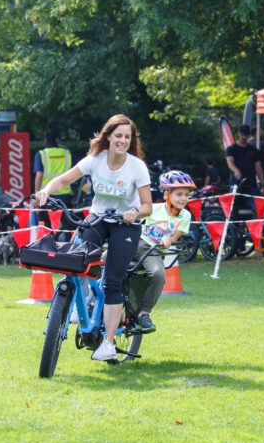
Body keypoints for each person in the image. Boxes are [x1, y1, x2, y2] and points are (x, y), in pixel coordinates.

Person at [34, 114, 152, 362]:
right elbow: (64, 179)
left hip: (126, 225)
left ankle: (108, 343)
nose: (122, 140)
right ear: (108, 136)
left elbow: (147, 206)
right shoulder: (95, 160)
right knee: (77, 262)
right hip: (98, 218)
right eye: (118, 135)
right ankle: (79, 306)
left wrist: (134, 212)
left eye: (127, 137)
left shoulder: (137, 167)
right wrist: (45, 190)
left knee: (111, 281)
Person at [131, 170, 195, 333]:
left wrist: (167, 239)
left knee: (158, 274)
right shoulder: (152, 208)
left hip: (152, 251)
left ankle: (144, 313)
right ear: (167, 193)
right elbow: (135, 224)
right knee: (101, 261)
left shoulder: (185, 216)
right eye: (179, 194)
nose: (184, 199)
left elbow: (174, 238)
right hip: (134, 244)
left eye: (187, 195)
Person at [33, 130, 72, 226]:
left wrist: (37, 197)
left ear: (45, 141)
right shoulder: (67, 153)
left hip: (46, 196)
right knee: (67, 226)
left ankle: (47, 241)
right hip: (65, 196)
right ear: (57, 140)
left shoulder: (41, 154)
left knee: (45, 226)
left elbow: (39, 175)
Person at [225, 124, 264, 195]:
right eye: (242, 134)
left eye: (246, 135)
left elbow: (259, 168)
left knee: (254, 204)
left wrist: (263, 185)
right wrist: (236, 170)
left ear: (249, 135)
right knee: (235, 205)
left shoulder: (254, 150)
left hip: (251, 184)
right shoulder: (231, 149)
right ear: (238, 134)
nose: (244, 137)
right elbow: (230, 163)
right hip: (236, 184)